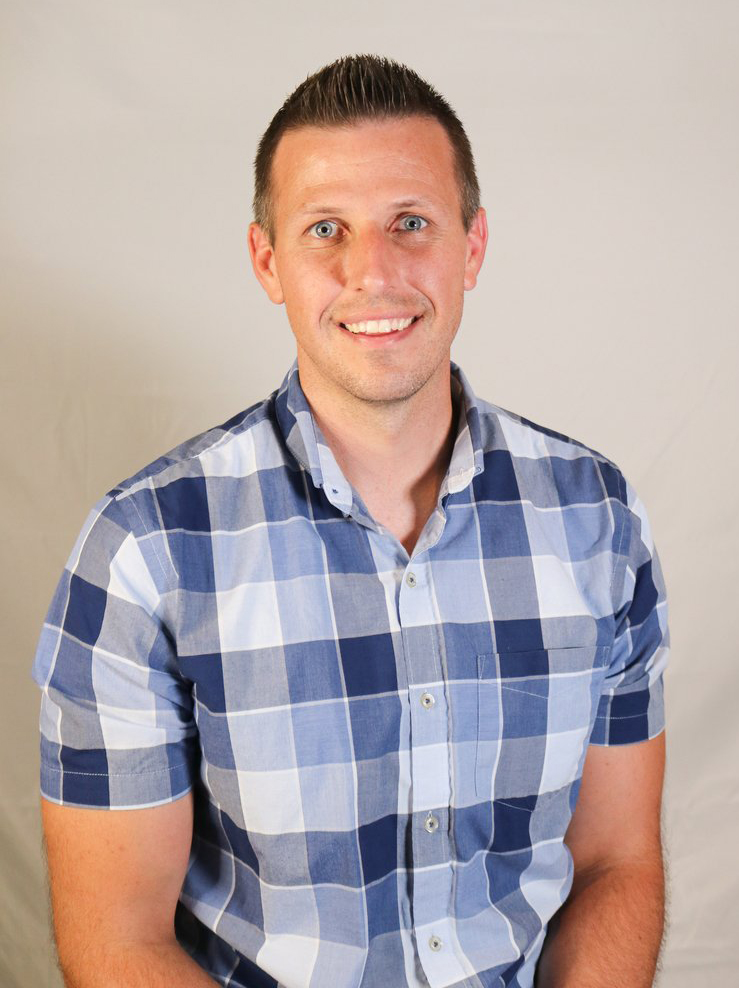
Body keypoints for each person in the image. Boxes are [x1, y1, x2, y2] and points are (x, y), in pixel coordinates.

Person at [32, 54, 670, 988]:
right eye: (325, 228)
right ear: (269, 262)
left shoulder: (596, 518)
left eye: (411, 223)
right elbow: (118, 939)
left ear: (472, 247)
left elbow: (617, 861)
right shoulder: (144, 551)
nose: (372, 271)